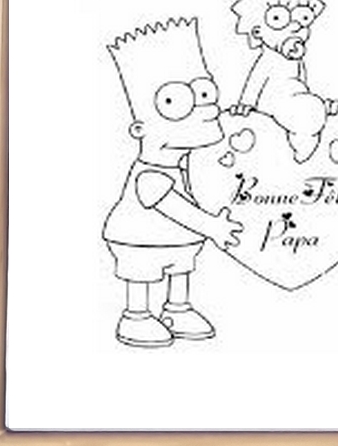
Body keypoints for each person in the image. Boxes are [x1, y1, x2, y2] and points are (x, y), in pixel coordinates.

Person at [103, 17, 242, 348]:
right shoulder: (150, 176)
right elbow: (177, 209)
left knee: (180, 266)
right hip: (138, 241)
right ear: (140, 130)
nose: (205, 107)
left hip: (176, 239)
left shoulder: (181, 166)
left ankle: (177, 308)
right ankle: (136, 315)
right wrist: (212, 226)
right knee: (142, 274)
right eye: (175, 102)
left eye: (206, 93)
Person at [230, 0, 338, 163]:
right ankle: (305, 141)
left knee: (308, 107)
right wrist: (246, 104)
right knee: (305, 111)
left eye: (303, 18)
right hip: (273, 103)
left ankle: (314, 119)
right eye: (279, 19)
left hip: (295, 99)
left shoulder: (295, 59)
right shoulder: (267, 59)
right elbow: (255, 81)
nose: (296, 26)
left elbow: (300, 82)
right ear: (257, 31)